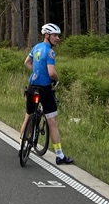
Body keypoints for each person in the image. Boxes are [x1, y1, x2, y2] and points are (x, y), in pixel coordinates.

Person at [19, 23, 73, 165]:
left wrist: (36, 72)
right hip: (44, 89)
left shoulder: (36, 47)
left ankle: (22, 145)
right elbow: (52, 72)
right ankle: (60, 155)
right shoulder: (50, 52)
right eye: (55, 35)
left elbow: (27, 62)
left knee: (29, 115)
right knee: (52, 122)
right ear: (47, 35)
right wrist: (56, 79)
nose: (58, 38)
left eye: (58, 35)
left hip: (32, 85)